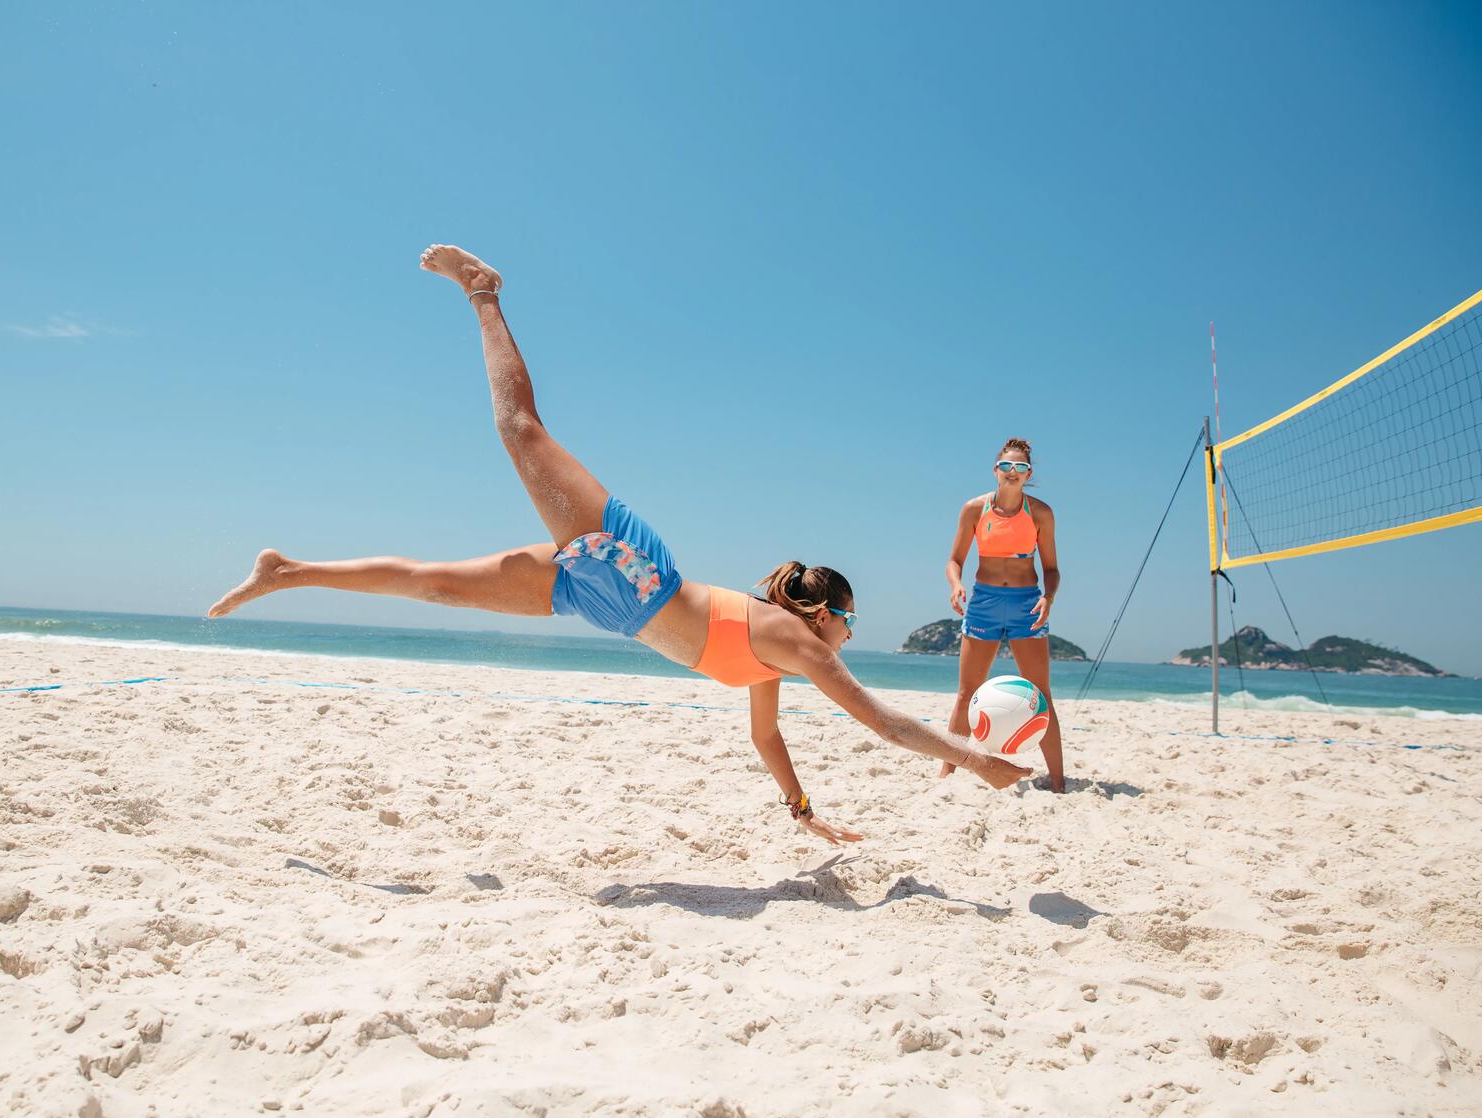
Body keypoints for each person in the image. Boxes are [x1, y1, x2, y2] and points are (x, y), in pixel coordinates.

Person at [209, 245, 1030, 843]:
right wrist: (976, 759)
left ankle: (290, 571)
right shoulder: (790, 637)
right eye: (850, 622)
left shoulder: (774, 654)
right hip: (635, 573)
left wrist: (807, 815)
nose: (851, 637)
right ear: (826, 614)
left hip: (606, 604)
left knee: (437, 584)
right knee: (520, 430)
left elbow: (766, 738)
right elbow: (882, 721)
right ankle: (484, 292)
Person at [940, 439, 1066, 791]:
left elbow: (1053, 569)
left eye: (1020, 468)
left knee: (1041, 694)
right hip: (985, 602)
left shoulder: (1041, 513)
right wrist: (955, 585)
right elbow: (955, 561)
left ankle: (1058, 782)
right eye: (1006, 467)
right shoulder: (974, 509)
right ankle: (946, 775)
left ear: (1029, 475)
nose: (1013, 473)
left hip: (1027, 602)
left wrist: (1049, 597)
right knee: (966, 693)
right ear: (996, 470)